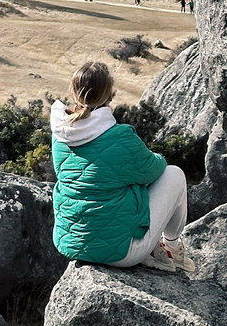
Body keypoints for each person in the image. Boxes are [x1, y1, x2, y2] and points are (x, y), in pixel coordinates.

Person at [50, 60, 193, 273]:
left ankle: (158, 248)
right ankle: (172, 247)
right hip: (121, 253)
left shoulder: (60, 133)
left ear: (73, 92)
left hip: (71, 243)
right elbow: (155, 169)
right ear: (110, 95)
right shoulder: (119, 136)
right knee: (175, 174)